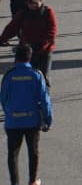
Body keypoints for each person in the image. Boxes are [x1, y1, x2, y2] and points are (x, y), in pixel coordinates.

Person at [1, 43, 52, 185]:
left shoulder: (9, 76)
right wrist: (48, 120)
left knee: (13, 154)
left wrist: (9, 113)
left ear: (15, 58)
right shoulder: (37, 75)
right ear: (30, 58)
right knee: (33, 152)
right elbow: (45, 100)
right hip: (32, 121)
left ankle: (14, 183)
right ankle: (32, 181)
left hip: (13, 122)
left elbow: (3, 99)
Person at [0, 0, 56, 86]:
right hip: (27, 50)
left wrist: (42, 46)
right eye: (30, 3)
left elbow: (51, 32)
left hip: (44, 50)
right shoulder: (23, 13)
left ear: (40, 2)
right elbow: (12, 28)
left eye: (35, 2)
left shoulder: (48, 12)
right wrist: (2, 39)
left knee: (43, 79)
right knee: (21, 76)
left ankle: (44, 98)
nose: (33, 5)